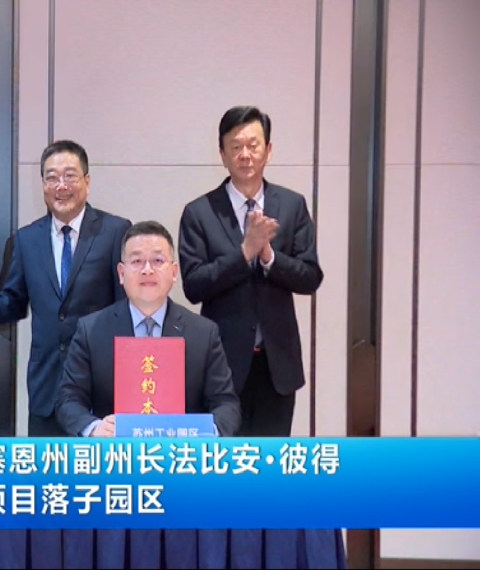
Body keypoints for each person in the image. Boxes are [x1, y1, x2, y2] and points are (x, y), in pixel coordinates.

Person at [0, 140, 131, 436]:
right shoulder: (26, 239)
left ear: (87, 182)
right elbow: (12, 303)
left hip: (100, 390)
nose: (61, 185)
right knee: (46, 466)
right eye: (51, 177)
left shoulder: (115, 231)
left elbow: (125, 310)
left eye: (70, 176)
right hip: (47, 389)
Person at [178, 106, 323, 436]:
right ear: (222, 154)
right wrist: (244, 252)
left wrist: (269, 256)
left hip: (278, 365)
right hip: (222, 363)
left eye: (253, 145)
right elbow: (194, 285)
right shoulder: (200, 212)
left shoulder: (292, 205)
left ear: (268, 150)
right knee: (224, 459)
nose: (245, 154)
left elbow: (311, 276)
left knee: (272, 461)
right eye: (236, 146)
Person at [55, 221, 241, 438]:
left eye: (157, 260)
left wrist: (207, 432)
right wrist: (94, 428)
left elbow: (226, 404)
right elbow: (68, 399)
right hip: (116, 453)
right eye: (136, 261)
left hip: (182, 453)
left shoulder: (203, 333)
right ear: (121, 273)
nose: (147, 270)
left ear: (174, 272)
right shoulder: (91, 330)